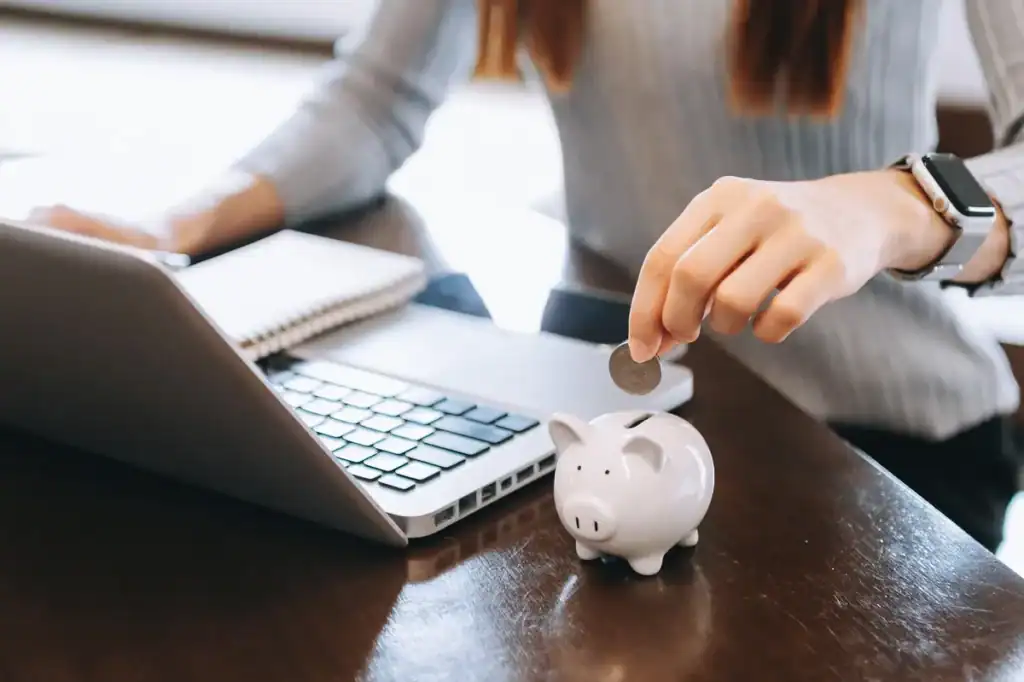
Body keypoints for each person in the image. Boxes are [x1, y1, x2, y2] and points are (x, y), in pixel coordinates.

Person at [30, 0, 1024, 552]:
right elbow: (377, 98)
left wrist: (900, 207)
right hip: (604, 405)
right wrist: (171, 224)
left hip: (882, 454)